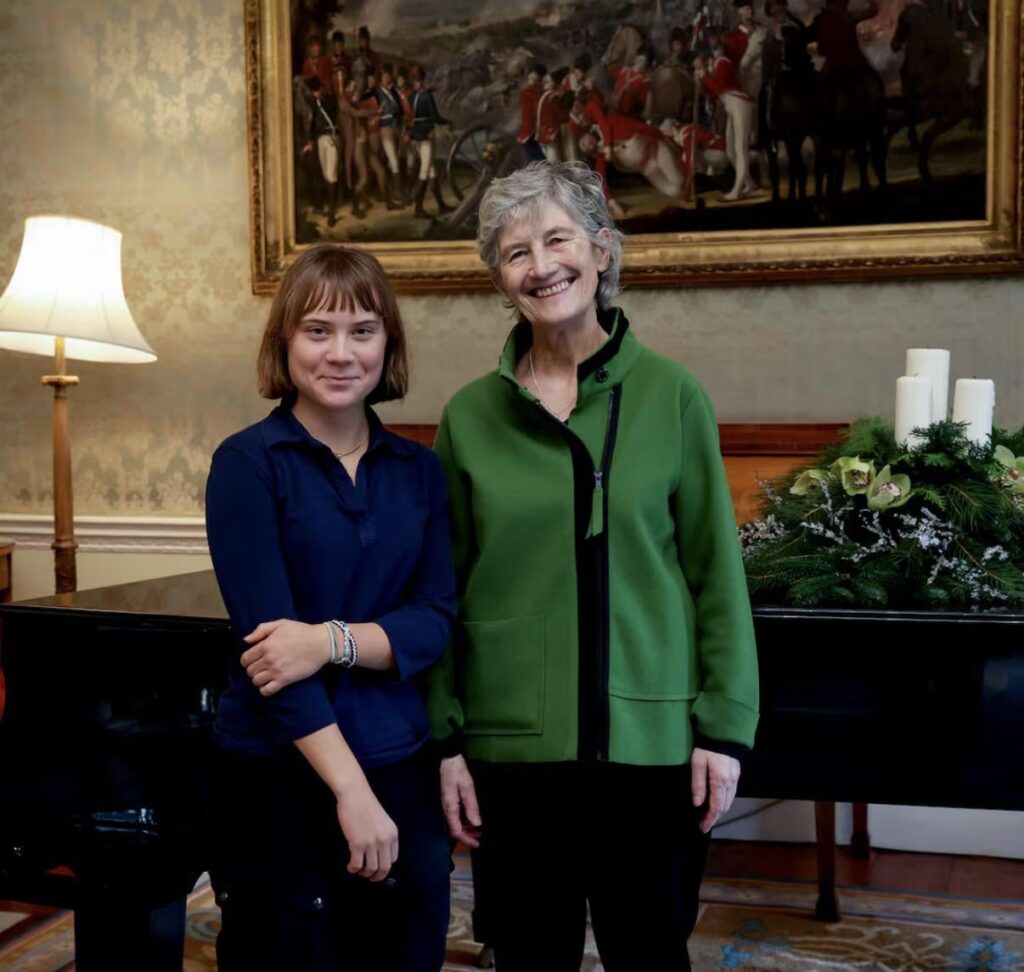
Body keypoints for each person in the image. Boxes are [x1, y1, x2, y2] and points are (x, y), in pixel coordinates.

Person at [425, 161, 759, 971]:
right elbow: (439, 591)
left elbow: (716, 576)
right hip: (512, 751)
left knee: (651, 954)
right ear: (499, 279)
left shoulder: (674, 396)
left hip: (652, 749)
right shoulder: (469, 417)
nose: (541, 266)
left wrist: (723, 730)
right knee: (527, 956)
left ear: (602, 250)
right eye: (515, 252)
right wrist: (445, 741)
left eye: (558, 240)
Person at [205, 245, 456, 972]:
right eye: (318, 331)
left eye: (362, 331)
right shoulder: (246, 465)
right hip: (279, 768)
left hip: (399, 759)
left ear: (388, 344)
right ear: (285, 342)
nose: (341, 353)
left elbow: (436, 618)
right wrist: (352, 793)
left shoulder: (420, 469)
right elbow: (272, 659)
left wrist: (328, 641)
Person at [302, 76, 342, 226]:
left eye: (316, 90)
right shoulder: (315, 103)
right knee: (326, 174)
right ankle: (330, 205)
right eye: (314, 91)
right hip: (320, 140)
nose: (315, 94)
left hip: (331, 138)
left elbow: (332, 111)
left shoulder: (330, 100)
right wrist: (310, 141)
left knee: (331, 174)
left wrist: (324, 96)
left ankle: (331, 212)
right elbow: (313, 123)